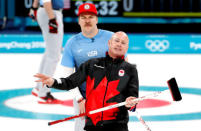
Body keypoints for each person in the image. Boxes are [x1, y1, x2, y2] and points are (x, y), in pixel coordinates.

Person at [34, 31, 139, 131]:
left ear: (127, 48)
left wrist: (130, 103)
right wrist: (53, 82)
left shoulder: (131, 70)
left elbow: (132, 98)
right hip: (93, 125)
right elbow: (70, 82)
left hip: (118, 125)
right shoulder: (92, 64)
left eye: (123, 43)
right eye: (116, 41)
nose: (119, 44)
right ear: (109, 43)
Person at [59, 3, 121, 131]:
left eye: (91, 17)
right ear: (78, 21)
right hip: (84, 100)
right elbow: (67, 76)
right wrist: (80, 99)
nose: (87, 21)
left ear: (97, 19)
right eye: (83, 17)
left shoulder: (112, 38)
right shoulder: (72, 43)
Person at [29, 0, 64, 103]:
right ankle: (44, 93)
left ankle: (39, 88)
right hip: (50, 12)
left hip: (47, 11)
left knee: (50, 52)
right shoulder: (50, 14)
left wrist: (34, 7)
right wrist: (52, 19)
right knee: (54, 55)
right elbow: (46, 1)